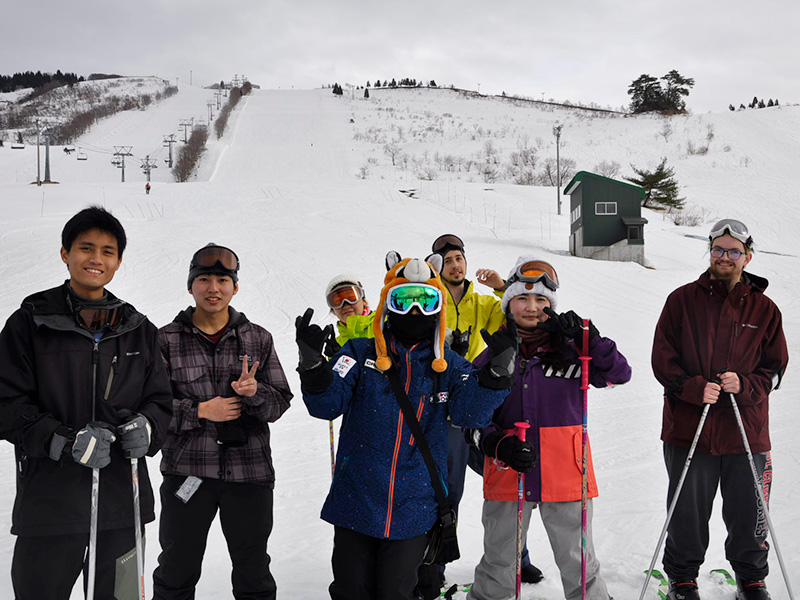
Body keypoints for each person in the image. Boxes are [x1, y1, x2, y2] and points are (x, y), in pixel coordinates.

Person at [296, 252, 517, 600]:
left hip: (414, 507)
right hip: (356, 500)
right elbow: (326, 405)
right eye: (404, 299)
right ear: (388, 303)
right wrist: (313, 367)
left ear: (438, 307)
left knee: (396, 591)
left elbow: (468, 415)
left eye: (426, 301)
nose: (415, 311)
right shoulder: (356, 352)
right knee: (351, 590)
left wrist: (495, 376)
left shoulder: (448, 365)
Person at [0, 205, 173, 599]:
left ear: (118, 261)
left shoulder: (137, 328)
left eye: (107, 251)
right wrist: (61, 440)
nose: (96, 259)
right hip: (50, 507)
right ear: (65, 253)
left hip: (122, 507)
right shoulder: (30, 323)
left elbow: (162, 401)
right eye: (86, 248)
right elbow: (6, 404)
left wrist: (147, 427)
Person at [468, 256, 631, 600]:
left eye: (541, 300)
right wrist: (497, 443)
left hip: (567, 471)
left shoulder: (574, 351)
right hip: (509, 468)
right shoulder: (492, 354)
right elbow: (470, 415)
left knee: (578, 560)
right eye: (522, 299)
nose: (531, 307)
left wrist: (589, 339)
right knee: (499, 559)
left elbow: (619, 374)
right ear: (508, 303)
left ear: (552, 305)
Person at [651, 219, 788, 600]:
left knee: (749, 510)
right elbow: (663, 360)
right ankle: (682, 577)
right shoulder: (681, 300)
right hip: (689, 426)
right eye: (717, 249)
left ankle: (751, 577)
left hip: (746, 430)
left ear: (747, 256)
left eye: (733, 251)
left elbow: (775, 368)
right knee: (687, 512)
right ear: (709, 252)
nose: (724, 257)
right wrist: (694, 387)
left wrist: (745, 384)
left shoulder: (765, 309)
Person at [152, 243, 293, 600]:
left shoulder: (258, 338)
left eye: (222, 279)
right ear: (190, 286)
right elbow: (151, 408)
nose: (213, 288)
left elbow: (279, 404)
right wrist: (200, 410)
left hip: (249, 474)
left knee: (253, 571)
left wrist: (254, 393)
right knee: (176, 568)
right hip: (188, 471)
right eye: (203, 279)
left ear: (235, 287)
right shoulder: (166, 339)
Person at [417, 234, 542, 599]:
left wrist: (503, 286)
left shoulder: (481, 300)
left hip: (481, 398)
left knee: (507, 481)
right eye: (448, 260)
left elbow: (512, 317)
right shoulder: (431, 296)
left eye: (459, 258)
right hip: (445, 405)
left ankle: (519, 555)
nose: (456, 265)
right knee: (447, 489)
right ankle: (433, 565)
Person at [324, 273, 375, 351]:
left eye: (351, 298)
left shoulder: (384, 324)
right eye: (338, 301)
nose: (346, 304)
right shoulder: (336, 346)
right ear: (333, 310)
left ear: (363, 300)